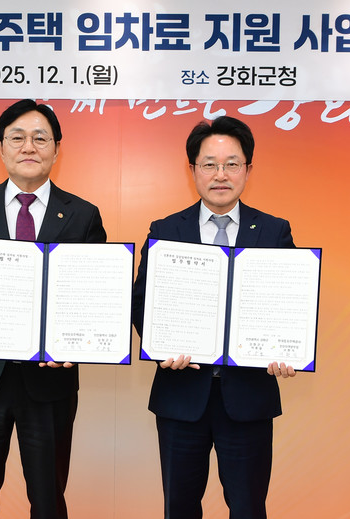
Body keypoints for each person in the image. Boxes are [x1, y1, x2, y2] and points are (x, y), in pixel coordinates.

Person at [0, 99, 107, 519]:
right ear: (1, 147)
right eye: (17, 138)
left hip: (48, 382)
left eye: (40, 138)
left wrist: (75, 343)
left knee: (48, 501)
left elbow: (95, 296)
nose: (29, 147)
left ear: (56, 149)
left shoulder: (83, 215)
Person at [131, 116, 296, 519]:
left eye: (232, 164)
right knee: (180, 508)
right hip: (181, 395)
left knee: (248, 508)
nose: (221, 174)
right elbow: (141, 301)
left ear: (248, 170)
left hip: (248, 397)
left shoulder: (274, 231)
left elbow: (288, 303)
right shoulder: (165, 230)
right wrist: (160, 345)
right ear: (193, 170)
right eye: (209, 164)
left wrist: (285, 347)